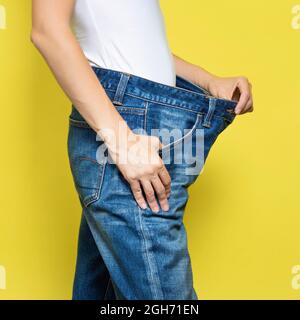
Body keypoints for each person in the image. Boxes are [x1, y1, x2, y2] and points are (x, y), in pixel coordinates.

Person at [31, 0, 253, 300]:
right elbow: (47, 31)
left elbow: (133, 43)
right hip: (126, 127)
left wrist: (207, 80)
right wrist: (121, 140)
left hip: (136, 123)